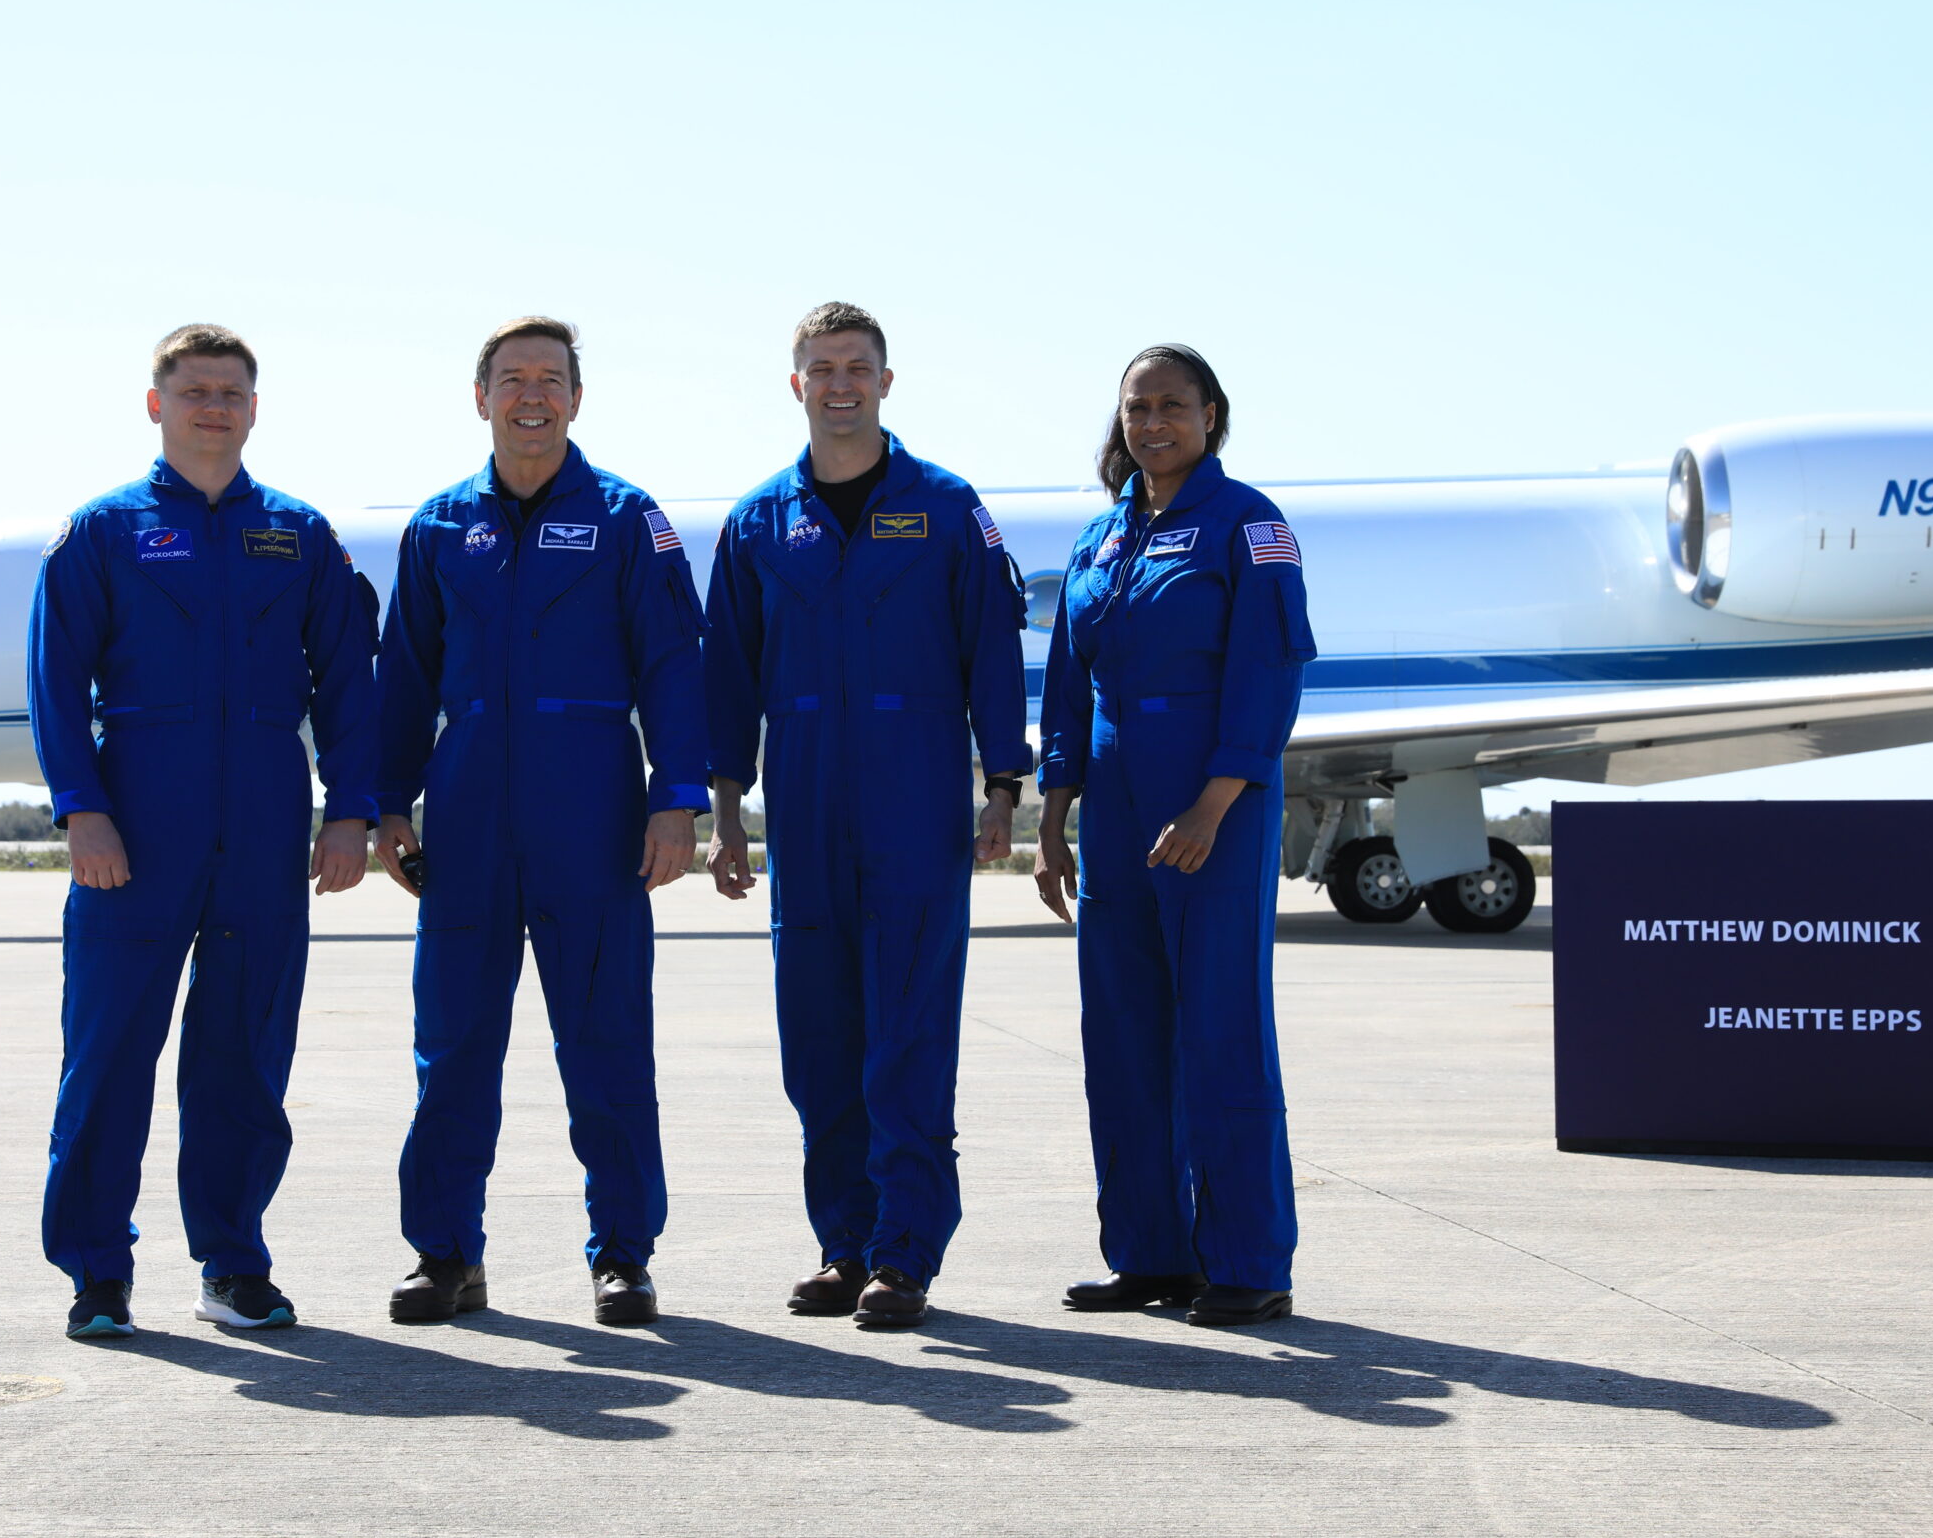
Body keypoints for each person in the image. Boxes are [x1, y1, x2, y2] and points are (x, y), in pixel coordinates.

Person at [29, 323, 379, 1340]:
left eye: (231, 391)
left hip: (266, 824)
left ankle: (232, 1264)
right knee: (106, 1060)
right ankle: (97, 1273)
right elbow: (55, 684)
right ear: (156, 405)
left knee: (244, 1061)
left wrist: (348, 811)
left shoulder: (300, 535)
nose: (213, 407)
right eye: (193, 391)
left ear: (254, 408)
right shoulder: (102, 532)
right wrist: (81, 809)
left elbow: (348, 685)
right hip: (136, 824)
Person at [373, 316, 709, 1328]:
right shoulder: (438, 528)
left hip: (593, 814)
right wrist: (388, 801)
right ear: (481, 398)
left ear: (575, 397)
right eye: (511, 379)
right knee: (452, 1050)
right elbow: (405, 679)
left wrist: (676, 798)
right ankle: (444, 1254)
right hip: (468, 817)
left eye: (549, 379)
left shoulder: (625, 519)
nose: (531, 395)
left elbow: (672, 665)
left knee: (607, 1047)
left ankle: (622, 1254)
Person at [703, 302, 1030, 1328]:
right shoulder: (759, 521)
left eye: (857, 367)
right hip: (802, 805)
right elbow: (728, 674)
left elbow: (990, 650)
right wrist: (724, 804)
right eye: (820, 367)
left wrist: (1003, 787)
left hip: (913, 799)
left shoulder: (945, 508)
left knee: (909, 1034)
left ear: (886, 383)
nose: (839, 383)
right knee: (820, 1039)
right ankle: (842, 1244)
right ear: (794, 384)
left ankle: (904, 1254)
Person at [1032, 343, 1316, 1328]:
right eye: (1135, 408)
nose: (1150, 424)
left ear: (1210, 416)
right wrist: (1052, 817)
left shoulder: (1248, 527)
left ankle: (1247, 1260)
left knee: (1220, 1035)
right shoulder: (1098, 539)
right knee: (1120, 1042)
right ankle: (1150, 1254)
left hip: (1214, 812)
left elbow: (1268, 674)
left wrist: (1212, 803)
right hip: (1112, 816)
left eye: (1170, 407)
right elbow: (1069, 688)